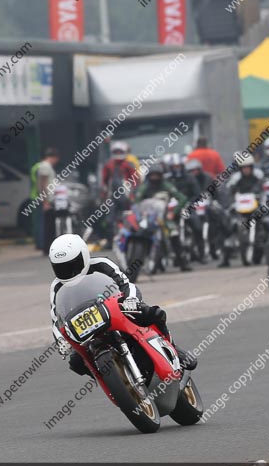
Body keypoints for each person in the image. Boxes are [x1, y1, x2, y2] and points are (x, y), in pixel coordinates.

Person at [47, 233, 197, 379]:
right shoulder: (56, 286)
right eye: (61, 268)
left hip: (116, 308)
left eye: (73, 265)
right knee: (76, 362)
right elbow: (56, 318)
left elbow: (125, 283)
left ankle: (173, 349)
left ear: (84, 255)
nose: (68, 272)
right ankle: (110, 378)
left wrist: (131, 300)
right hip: (85, 324)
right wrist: (61, 341)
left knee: (153, 314)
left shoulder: (102, 263)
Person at [134, 163, 192, 272]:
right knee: (141, 234)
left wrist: (173, 213)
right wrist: (141, 213)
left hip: (164, 217)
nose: (154, 178)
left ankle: (182, 262)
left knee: (174, 234)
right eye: (152, 175)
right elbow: (136, 202)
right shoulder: (144, 187)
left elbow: (182, 198)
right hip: (149, 218)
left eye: (157, 175)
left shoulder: (167, 186)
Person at [221, 153, 263, 268]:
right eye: (244, 167)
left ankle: (262, 251)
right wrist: (231, 204)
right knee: (230, 228)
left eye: (248, 167)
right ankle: (225, 259)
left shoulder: (258, 176)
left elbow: (263, 189)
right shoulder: (236, 178)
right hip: (240, 209)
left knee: (266, 223)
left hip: (255, 208)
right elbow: (229, 191)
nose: (246, 170)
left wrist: (261, 199)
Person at [101, 141, 139, 248]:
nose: (118, 154)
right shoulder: (108, 165)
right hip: (112, 197)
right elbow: (104, 181)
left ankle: (131, 239)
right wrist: (104, 195)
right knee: (109, 220)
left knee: (130, 218)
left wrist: (133, 195)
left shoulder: (129, 165)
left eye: (120, 151)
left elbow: (136, 181)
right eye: (116, 152)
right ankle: (110, 241)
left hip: (127, 197)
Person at [30, 147, 60, 254]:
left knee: (48, 224)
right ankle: (45, 246)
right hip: (45, 200)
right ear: (54, 157)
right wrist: (45, 201)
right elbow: (43, 184)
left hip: (46, 199)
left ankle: (46, 246)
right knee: (46, 224)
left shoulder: (44, 166)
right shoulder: (45, 167)